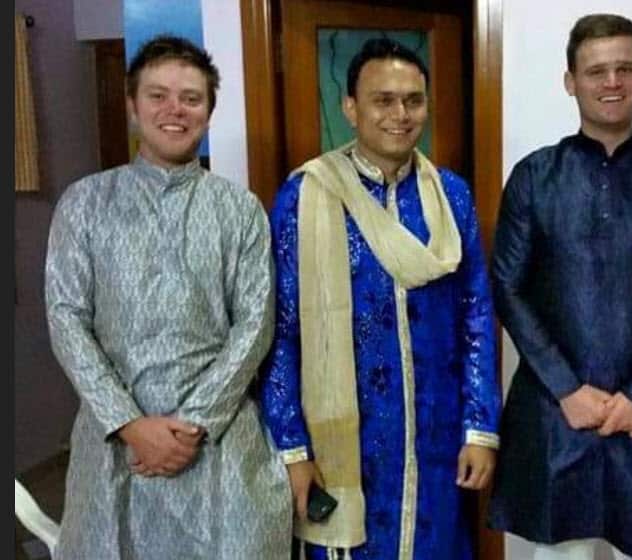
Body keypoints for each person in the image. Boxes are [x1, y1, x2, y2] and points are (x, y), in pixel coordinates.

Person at [487, 13, 632, 560]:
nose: (611, 82)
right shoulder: (534, 177)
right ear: (570, 82)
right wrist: (566, 389)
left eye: (624, 68)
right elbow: (508, 285)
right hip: (558, 419)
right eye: (596, 71)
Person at [44, 35, 291, 559]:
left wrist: (193, 424)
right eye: (158, 96)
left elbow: (256, 323)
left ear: (209, 111)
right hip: (116, 442)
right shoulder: (85, 204)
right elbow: (66, 318)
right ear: (132, 107)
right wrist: (131, 424)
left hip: (219, 442)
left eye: (191, 98)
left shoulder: (239, 209)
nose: (174, 110)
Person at [260, 37, 501, 559]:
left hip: (437, 437)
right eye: (383, 100)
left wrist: (480, 428)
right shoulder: (306, 196)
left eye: (413, 100)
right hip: (344, 446)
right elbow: (282, 329)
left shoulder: (450, 195)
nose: (400, 114)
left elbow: (476, 315)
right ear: (351, 107)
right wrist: (292, 448)